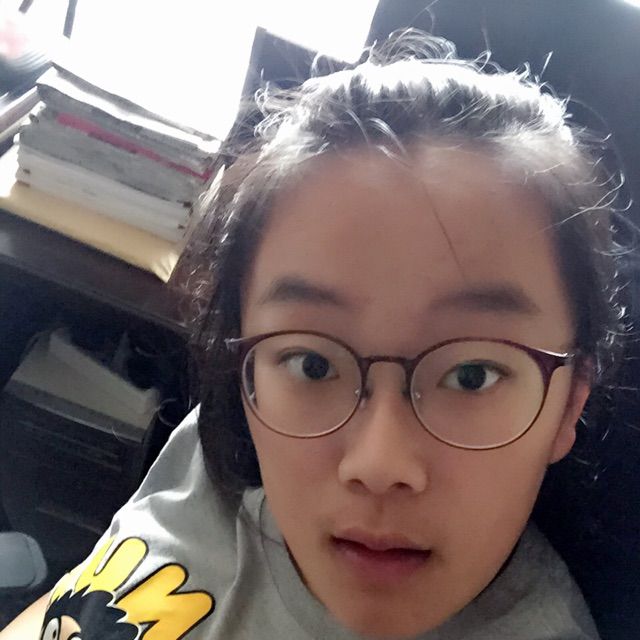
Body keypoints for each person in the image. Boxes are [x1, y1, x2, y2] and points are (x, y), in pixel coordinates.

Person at [1, 31, 628, 640]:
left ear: (570, 401)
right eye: (313, 364)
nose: (378, 464)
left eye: (472, 376)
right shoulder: (236, 437)